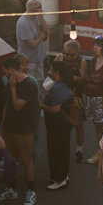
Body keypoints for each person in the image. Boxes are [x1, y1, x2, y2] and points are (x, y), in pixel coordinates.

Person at [0, 55, 39, 205]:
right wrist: (3, 125)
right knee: (11, 161)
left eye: (5, 71)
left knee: (27, 161)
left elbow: (17, 105)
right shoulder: (9, 83)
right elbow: (8, 105)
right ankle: (12, 189)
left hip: (24, 129)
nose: (4, 73)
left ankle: (30, 191)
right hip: (10, 128)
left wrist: (14, 88)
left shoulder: (29, 85)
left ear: (11, 70)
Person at [40, 60, 75, 191]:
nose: (49, 72)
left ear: (57, 73)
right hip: (63, 125)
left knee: (56, 151)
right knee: (63, 150)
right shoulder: (63, 85)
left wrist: (42, 105)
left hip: (57, 125)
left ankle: (59, 178)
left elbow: (55, 109)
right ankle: (63, 176)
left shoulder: (57, 88)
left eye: (51, 69)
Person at [58, 42, 88, 162]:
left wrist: (65, 76)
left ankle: (79, 149)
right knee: (62, 124)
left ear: (77, 53)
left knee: (78, 124)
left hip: (76, 96)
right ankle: (62, 148)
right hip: (61, 95)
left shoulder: (82, 61)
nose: (69, 57)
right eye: (67, 54)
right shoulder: (59, 58)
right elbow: (51, 74)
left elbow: (81, 80)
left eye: (72, 55)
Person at [15, 0, 48, 81]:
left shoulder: (37, 18)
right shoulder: (23, 23)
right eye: (40, 8)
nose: (42, 10)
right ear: (36, 10)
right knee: (30, 82)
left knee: (40, 81)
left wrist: (42, 18)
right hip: (28, 61)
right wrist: (42, 36)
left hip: (38, 58)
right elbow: (32, 44)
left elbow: (48, 31)